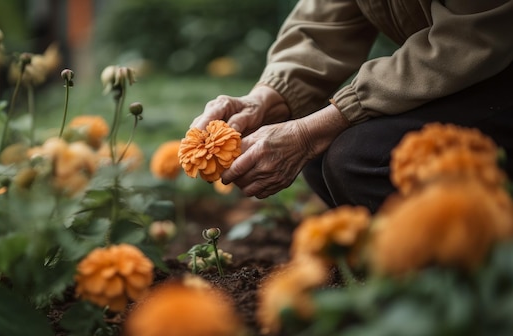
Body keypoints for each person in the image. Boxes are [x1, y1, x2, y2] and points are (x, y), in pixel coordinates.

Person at [190, 0, 513, 213]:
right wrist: (269, 96)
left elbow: (471, 36)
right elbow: (322, 22)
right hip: (471, 74)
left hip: (491, 66)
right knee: (320, 157)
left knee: (358, 157)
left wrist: (323, 124)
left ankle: (470, 276)